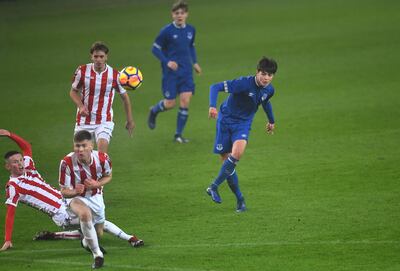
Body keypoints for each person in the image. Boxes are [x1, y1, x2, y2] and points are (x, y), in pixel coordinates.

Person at [0, 129, 104, 269]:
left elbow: (26, 147)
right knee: (93, 222)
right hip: (60, 214)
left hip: (66, 201)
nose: (20, 164)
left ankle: (58, 236)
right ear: (7, 166)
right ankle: (125, 240)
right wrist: (7, 239)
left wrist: (9, 135)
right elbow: (10, 212)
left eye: (20, 160)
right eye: (14, 162)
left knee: (91, 224)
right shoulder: (12, 186)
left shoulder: (28, 167)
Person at [206, 57, 278, 212]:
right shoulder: (243, 83)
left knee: (237, 154)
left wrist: (271, 121)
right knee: (228, 164)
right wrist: (212, 106)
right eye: (264, 74)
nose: (266, 78)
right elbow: (214, 87)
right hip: (225, 122)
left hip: (243, 125)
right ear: (257, 72)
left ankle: (213, 186)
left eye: (270, 75)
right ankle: (240, 199)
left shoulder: (269, 90)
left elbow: (265, 102)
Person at [58, 130, 143, 249]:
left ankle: (84, 242)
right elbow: (63, 191)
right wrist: (75, 191)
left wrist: (96, 184)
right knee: (83, 218)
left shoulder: (103, 159)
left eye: (83, 146)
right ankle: (101, 251)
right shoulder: (66, 163)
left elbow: (108, 176)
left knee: (98, 233)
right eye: (77, 146)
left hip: (95, 196)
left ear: (91, 146)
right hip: (76, 199)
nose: (80, 149)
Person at [148, 0, 202, 143]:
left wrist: (195, 62)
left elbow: (191, 46)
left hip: (186, 73)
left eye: (182, 13)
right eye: (177, 13)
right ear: (172, 15)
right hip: (170, 74)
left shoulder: (191, 30)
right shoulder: (166, 31)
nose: (179, 15)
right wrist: (167, 62)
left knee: (185, 101)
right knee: (170, 104)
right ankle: (154, 111)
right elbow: (155, 49)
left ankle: (178, 135)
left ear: (186, 14)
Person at [70, 41, 135, 153]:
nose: (98, 59)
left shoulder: (115, 75)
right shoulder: (82, 71)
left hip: (104, 121)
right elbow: (73, 92)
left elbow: (125, 98)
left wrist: (130, 120)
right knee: (82, 157)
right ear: (91, 57)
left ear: (106, 57)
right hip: (84, 121)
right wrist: (80, 106)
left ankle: (103, 169)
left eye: (101, 56)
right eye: (96, 56)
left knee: (101, 156)